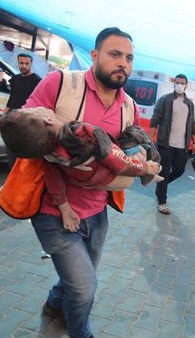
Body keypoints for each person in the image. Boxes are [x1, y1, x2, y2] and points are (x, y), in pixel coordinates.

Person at [24, 27, 137, 337]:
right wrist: (62, 201)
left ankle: (53, 305)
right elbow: (26, 132)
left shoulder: (129, 106)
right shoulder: (60, 84)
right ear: (95, 55)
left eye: (128, 58)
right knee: (85, 287)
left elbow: (131, 149)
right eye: (115, 55)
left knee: (77, 278)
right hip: (52, 210)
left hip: (97, 212)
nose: (122, 64)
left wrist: (141, 163)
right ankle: (80, 332)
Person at [0, 107, 161, 231]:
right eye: (33, 110)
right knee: (135, 135)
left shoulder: (49, 154)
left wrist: (64, 206)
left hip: (92, 180)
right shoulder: (79, 134)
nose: (35, 106)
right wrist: (144, 168)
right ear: (48, 118)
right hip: (116, 177)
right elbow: (115, 159)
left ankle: (150, 173)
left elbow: (53, 180)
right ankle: (152, 173)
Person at [150, 73, 195, 215]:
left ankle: (161, 186)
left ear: (186, 85)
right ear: (174, 84)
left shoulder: (189, 104)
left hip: (182, 146)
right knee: (164, 172)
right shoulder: (165, 99)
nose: (180, 85)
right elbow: (155, 118)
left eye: (182, 83)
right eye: (177, 82)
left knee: (179, 170)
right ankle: (162, 202)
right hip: (166, 144)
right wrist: (150, 139)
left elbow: (192, 123)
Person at [0, 53, 42, 169]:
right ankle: (11, 183)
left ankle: (22, 185)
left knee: (24, 158)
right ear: (18, 63)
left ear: (31, 64)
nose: (24, 66)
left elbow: (39, 104)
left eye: (26, 63)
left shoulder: (38, 81)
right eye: (21, 63)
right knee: (10, 154)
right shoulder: (15, 79)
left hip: (26, 123)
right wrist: (3, 117)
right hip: (12, 122)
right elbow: (11, 99)